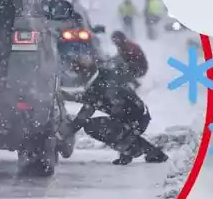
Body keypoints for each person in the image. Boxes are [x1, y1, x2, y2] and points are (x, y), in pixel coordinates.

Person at [68, 32, 168, 165]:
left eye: (79, 73)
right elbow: (86, 106)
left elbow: (94, 110)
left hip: (136, 117)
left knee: (96, 126)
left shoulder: (100, 84)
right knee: (113, 127)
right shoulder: (100, 79)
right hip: (138, 115)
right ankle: (149, 152)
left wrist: (67, 132)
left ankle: (134, 149)